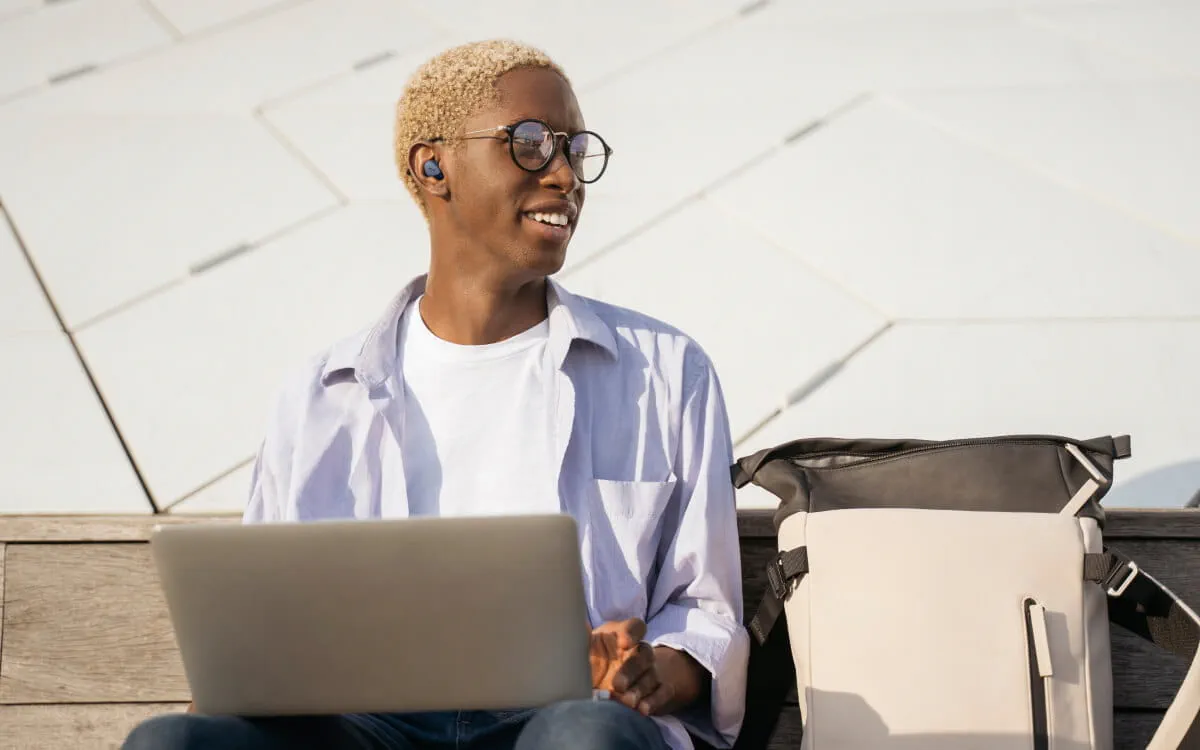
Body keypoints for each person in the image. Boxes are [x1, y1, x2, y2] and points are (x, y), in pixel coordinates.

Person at [123, 38, 748, 750]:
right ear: (433, 165)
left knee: (582, 737)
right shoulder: (321, 397)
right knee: (168, 745)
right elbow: (268, 625)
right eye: (533, 143)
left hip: (567, 716)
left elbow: (705, 609)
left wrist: (656, 670)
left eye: (576, 149)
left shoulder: (664, 373)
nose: (566, 175)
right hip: (367, 730)